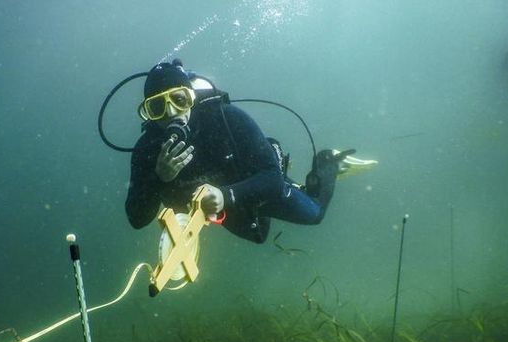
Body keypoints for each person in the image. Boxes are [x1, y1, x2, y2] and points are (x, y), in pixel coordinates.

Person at [125, 60, 351, 244]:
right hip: (225, 206)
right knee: (259, 236)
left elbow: (271, 179)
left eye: (179, 99)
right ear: (148, 113)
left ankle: (327, 162)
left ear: (191, 97)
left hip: (252, 184)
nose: (172, 113)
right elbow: (137, 219)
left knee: (315, 215)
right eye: (157, 107)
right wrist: (158, 178)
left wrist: (225, 196)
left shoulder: (226, 118)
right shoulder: (147, 150)